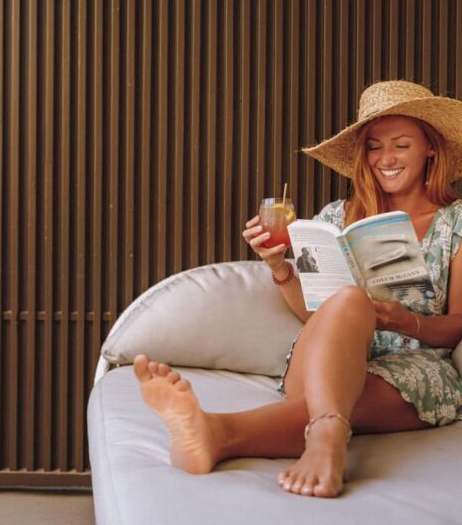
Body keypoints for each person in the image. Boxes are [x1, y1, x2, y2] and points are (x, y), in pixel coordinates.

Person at [133, 80, 462, 498]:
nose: (386, 159)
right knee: (348, 300)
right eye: (375, 147)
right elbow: (314, 314)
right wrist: (276, 263)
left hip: (412, 370)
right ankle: (317, 433)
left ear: (430, 147)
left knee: (338, 392)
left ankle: (224, 432)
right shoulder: (334, 218)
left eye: (401, 145)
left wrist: (406, 321)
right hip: (324, 357)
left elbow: (456, 326)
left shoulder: (455, 223)